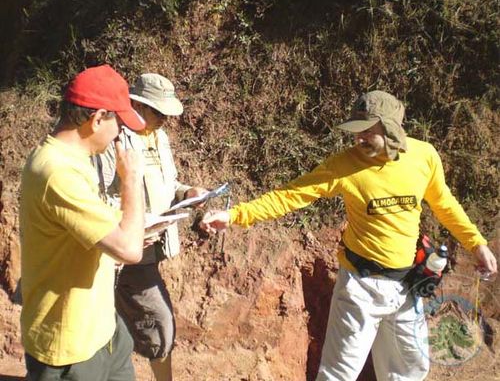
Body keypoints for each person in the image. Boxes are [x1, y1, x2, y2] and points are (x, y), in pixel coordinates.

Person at [200, 90, 498, 381]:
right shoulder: (344, 166)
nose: (358, 138)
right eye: (356, 132)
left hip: (407, 286)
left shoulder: (424, 157)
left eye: (367, 131)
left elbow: (444, 204)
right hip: (360, 287)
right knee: (338, 375)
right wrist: (235, 215)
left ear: (391, 128)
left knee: (407, 372)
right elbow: (290, 196)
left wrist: (476, 244)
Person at [19, 64, 146, 380]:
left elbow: (93, 230)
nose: (119, 132)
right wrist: (131, 179)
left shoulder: (73, 162)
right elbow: (129, 250)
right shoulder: (58, 173)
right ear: (98, 118)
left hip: (102, 329)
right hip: (69, 350)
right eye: (117, 120)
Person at [95, 73, 207, 381]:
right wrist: (128, 227)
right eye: (159, 113)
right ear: (137, 105)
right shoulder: (113, 140)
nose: (165, 120)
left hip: (146, 250)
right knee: (156, 324)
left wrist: (187, 193)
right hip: (117, 253)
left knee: (151, 326)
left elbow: (167, 184)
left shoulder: (159, 137)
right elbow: (97, 196)